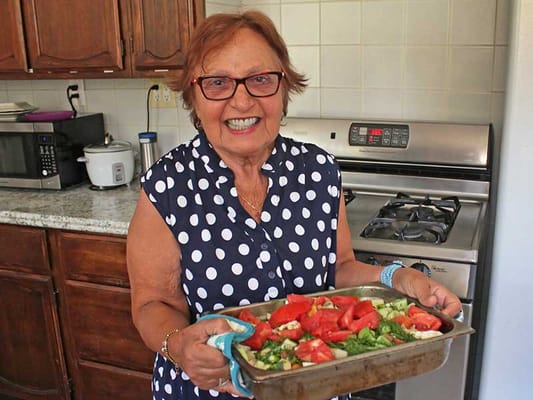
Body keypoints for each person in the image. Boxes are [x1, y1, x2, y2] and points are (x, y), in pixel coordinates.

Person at [126, 10, 462, 400]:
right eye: (218, 83)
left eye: (260, 79)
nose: (241, 100)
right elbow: (152, 303)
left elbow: (338, 268)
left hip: (315, 386)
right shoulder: (168, 185)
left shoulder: (318, 170)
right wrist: (179, 346)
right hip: (209, 391)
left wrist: (396, 279)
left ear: (284, 89)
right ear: (193, 97)